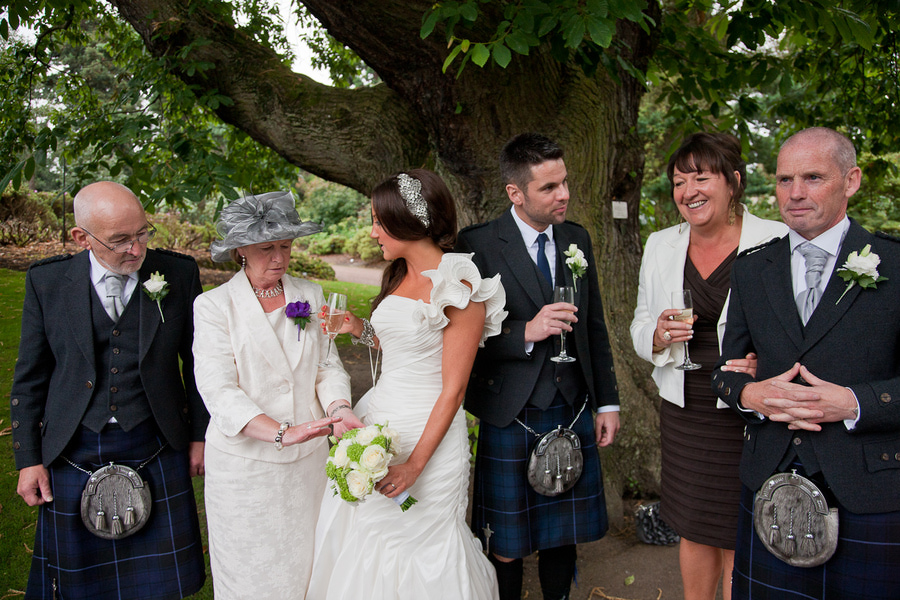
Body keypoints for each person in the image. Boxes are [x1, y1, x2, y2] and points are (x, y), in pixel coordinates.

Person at [713, 127, 900, 599]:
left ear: (851, 181)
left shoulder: (895, 264)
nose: (795, 193)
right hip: (769, 481)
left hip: (870, 489)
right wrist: (750, 394)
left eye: (813, 177)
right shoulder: (751, 267)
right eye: (784, 179)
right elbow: (726, 372)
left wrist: (854, 403)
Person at [308, 169, 505, 599]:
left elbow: (453, 390)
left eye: (379, 221)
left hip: (430, 437)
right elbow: (400, 345)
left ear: (408, 221)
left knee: (424, 547)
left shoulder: (460, 287)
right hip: (381, 419)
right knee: (366, 537)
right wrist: (357, 327)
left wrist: (414, 465)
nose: (372, 232)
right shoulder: (398, 274)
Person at [10, 181, 207, 599]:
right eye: (119, 240)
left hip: (157, 441)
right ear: (82, 237)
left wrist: (199, 436)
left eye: (142, 233)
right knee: (79, 583)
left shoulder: (179, 273)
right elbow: (30, 376)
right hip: (73, 446)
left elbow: (197, 366)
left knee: (159, 583)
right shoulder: (47, 282)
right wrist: (29, 459)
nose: (136, 249)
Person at [456, 132, 619, 600]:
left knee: (561, 535)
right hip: (512, 410)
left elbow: (593, 326)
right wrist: (525, 331)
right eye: (549, 187)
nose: (563, 194)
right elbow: (461, 338)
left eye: (564, 182)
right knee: (505, 543)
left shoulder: (576, 238)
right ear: (515, 192)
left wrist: (607, 402)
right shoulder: (477, 245)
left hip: (571, 404)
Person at [630, 132, 788, 600]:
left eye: (701, 178)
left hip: (747, 410)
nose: (689, 191)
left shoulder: (777, 239)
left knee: (742, 528)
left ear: (733, 182)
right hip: (686, 409)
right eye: (680, 182)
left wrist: (768, 363)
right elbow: (639, 321)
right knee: (694, 526)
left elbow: (798, 327)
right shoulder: (660, 244)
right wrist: (657, 335)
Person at [192, 191, 355, 599]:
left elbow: (327, 365)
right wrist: (282, 432)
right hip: (246, 469)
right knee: (253, 578)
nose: (280, 258)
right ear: (240, 250)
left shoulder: (311, 294)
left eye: (285, 245)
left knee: (307, 571)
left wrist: (339, 408)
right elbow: (218, 389)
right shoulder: (213, 306)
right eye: (267, 248)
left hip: (308, 466)